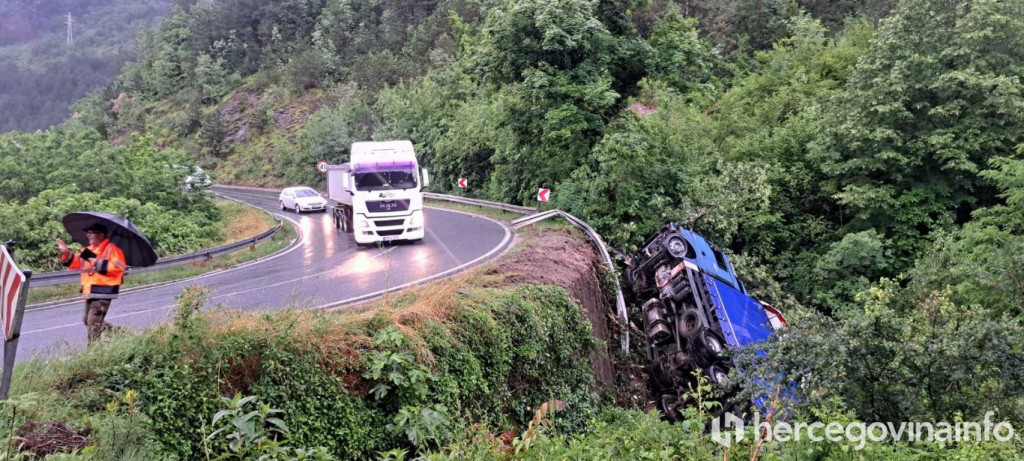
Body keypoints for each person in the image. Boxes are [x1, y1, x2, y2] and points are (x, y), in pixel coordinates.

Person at [57, 223, 126, 344]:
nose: (88, 235)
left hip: (104, 292)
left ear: (101, 234)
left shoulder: (112, 249)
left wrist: (99, 263)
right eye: (87, 232)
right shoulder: (88, 250)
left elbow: (119, 267)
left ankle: (93, 352)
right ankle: (119, 333)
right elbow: (76, 264)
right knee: (87, 320)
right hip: (90, 291)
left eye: (91, 232)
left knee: (93, 322)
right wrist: (67, 253)